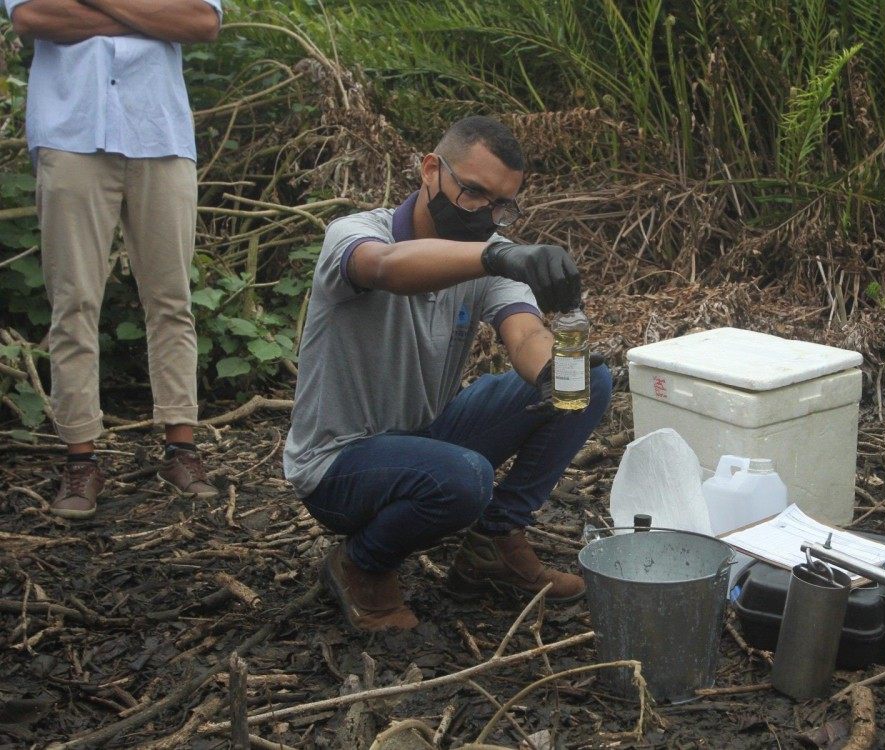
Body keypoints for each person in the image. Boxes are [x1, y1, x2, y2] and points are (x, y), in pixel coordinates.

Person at [284, 116, 613, 632]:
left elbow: (524, 333)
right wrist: (496, 255)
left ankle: (494, 543)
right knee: (464, 477)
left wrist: (554, 369)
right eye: (474, 193)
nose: (486, 214)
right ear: (430, 170)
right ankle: (360, 566)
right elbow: (386, 267)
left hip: (425, 436)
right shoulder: (356, 234)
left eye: (501, 205)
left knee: (589, 380)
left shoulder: (490, 259)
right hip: (339, 463)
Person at [4, 0, 223, 519]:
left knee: (171, 298)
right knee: (73, 301)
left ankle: (181, 450)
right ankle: (80, 460)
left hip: (160, 132)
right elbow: (30, 18)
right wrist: (148, 16)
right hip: (69, 134)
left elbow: (202, 22)